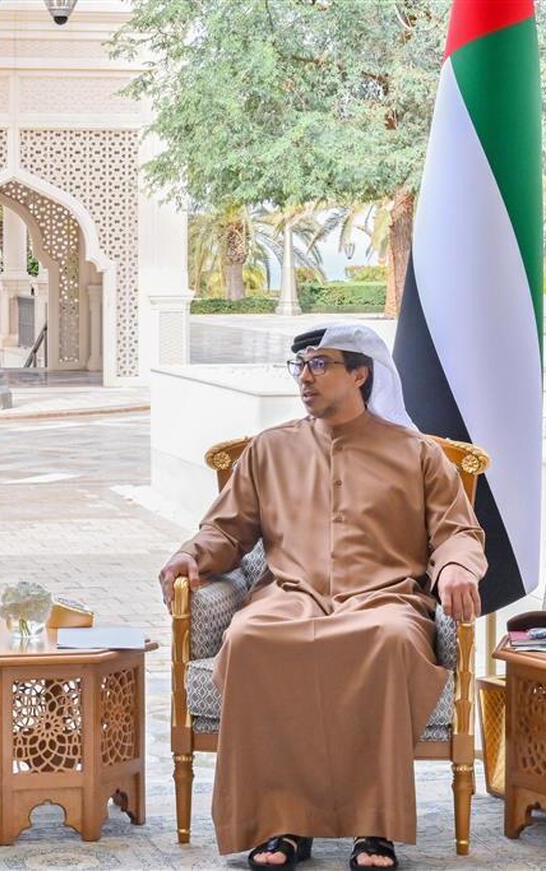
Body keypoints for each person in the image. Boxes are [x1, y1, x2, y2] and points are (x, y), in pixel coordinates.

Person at [157, 323, 486, 870]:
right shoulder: (269, 449)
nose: (305, 378)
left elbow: (458, 532)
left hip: (385, 600)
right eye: (300, 366)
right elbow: (226, 530)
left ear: (360, 374)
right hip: (291, 596)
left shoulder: (417, 453)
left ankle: (373, 827)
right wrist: (190, 555)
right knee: (250, 637)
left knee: (387, 640)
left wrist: (455, 567)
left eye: (319, 364)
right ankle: (281, 823)